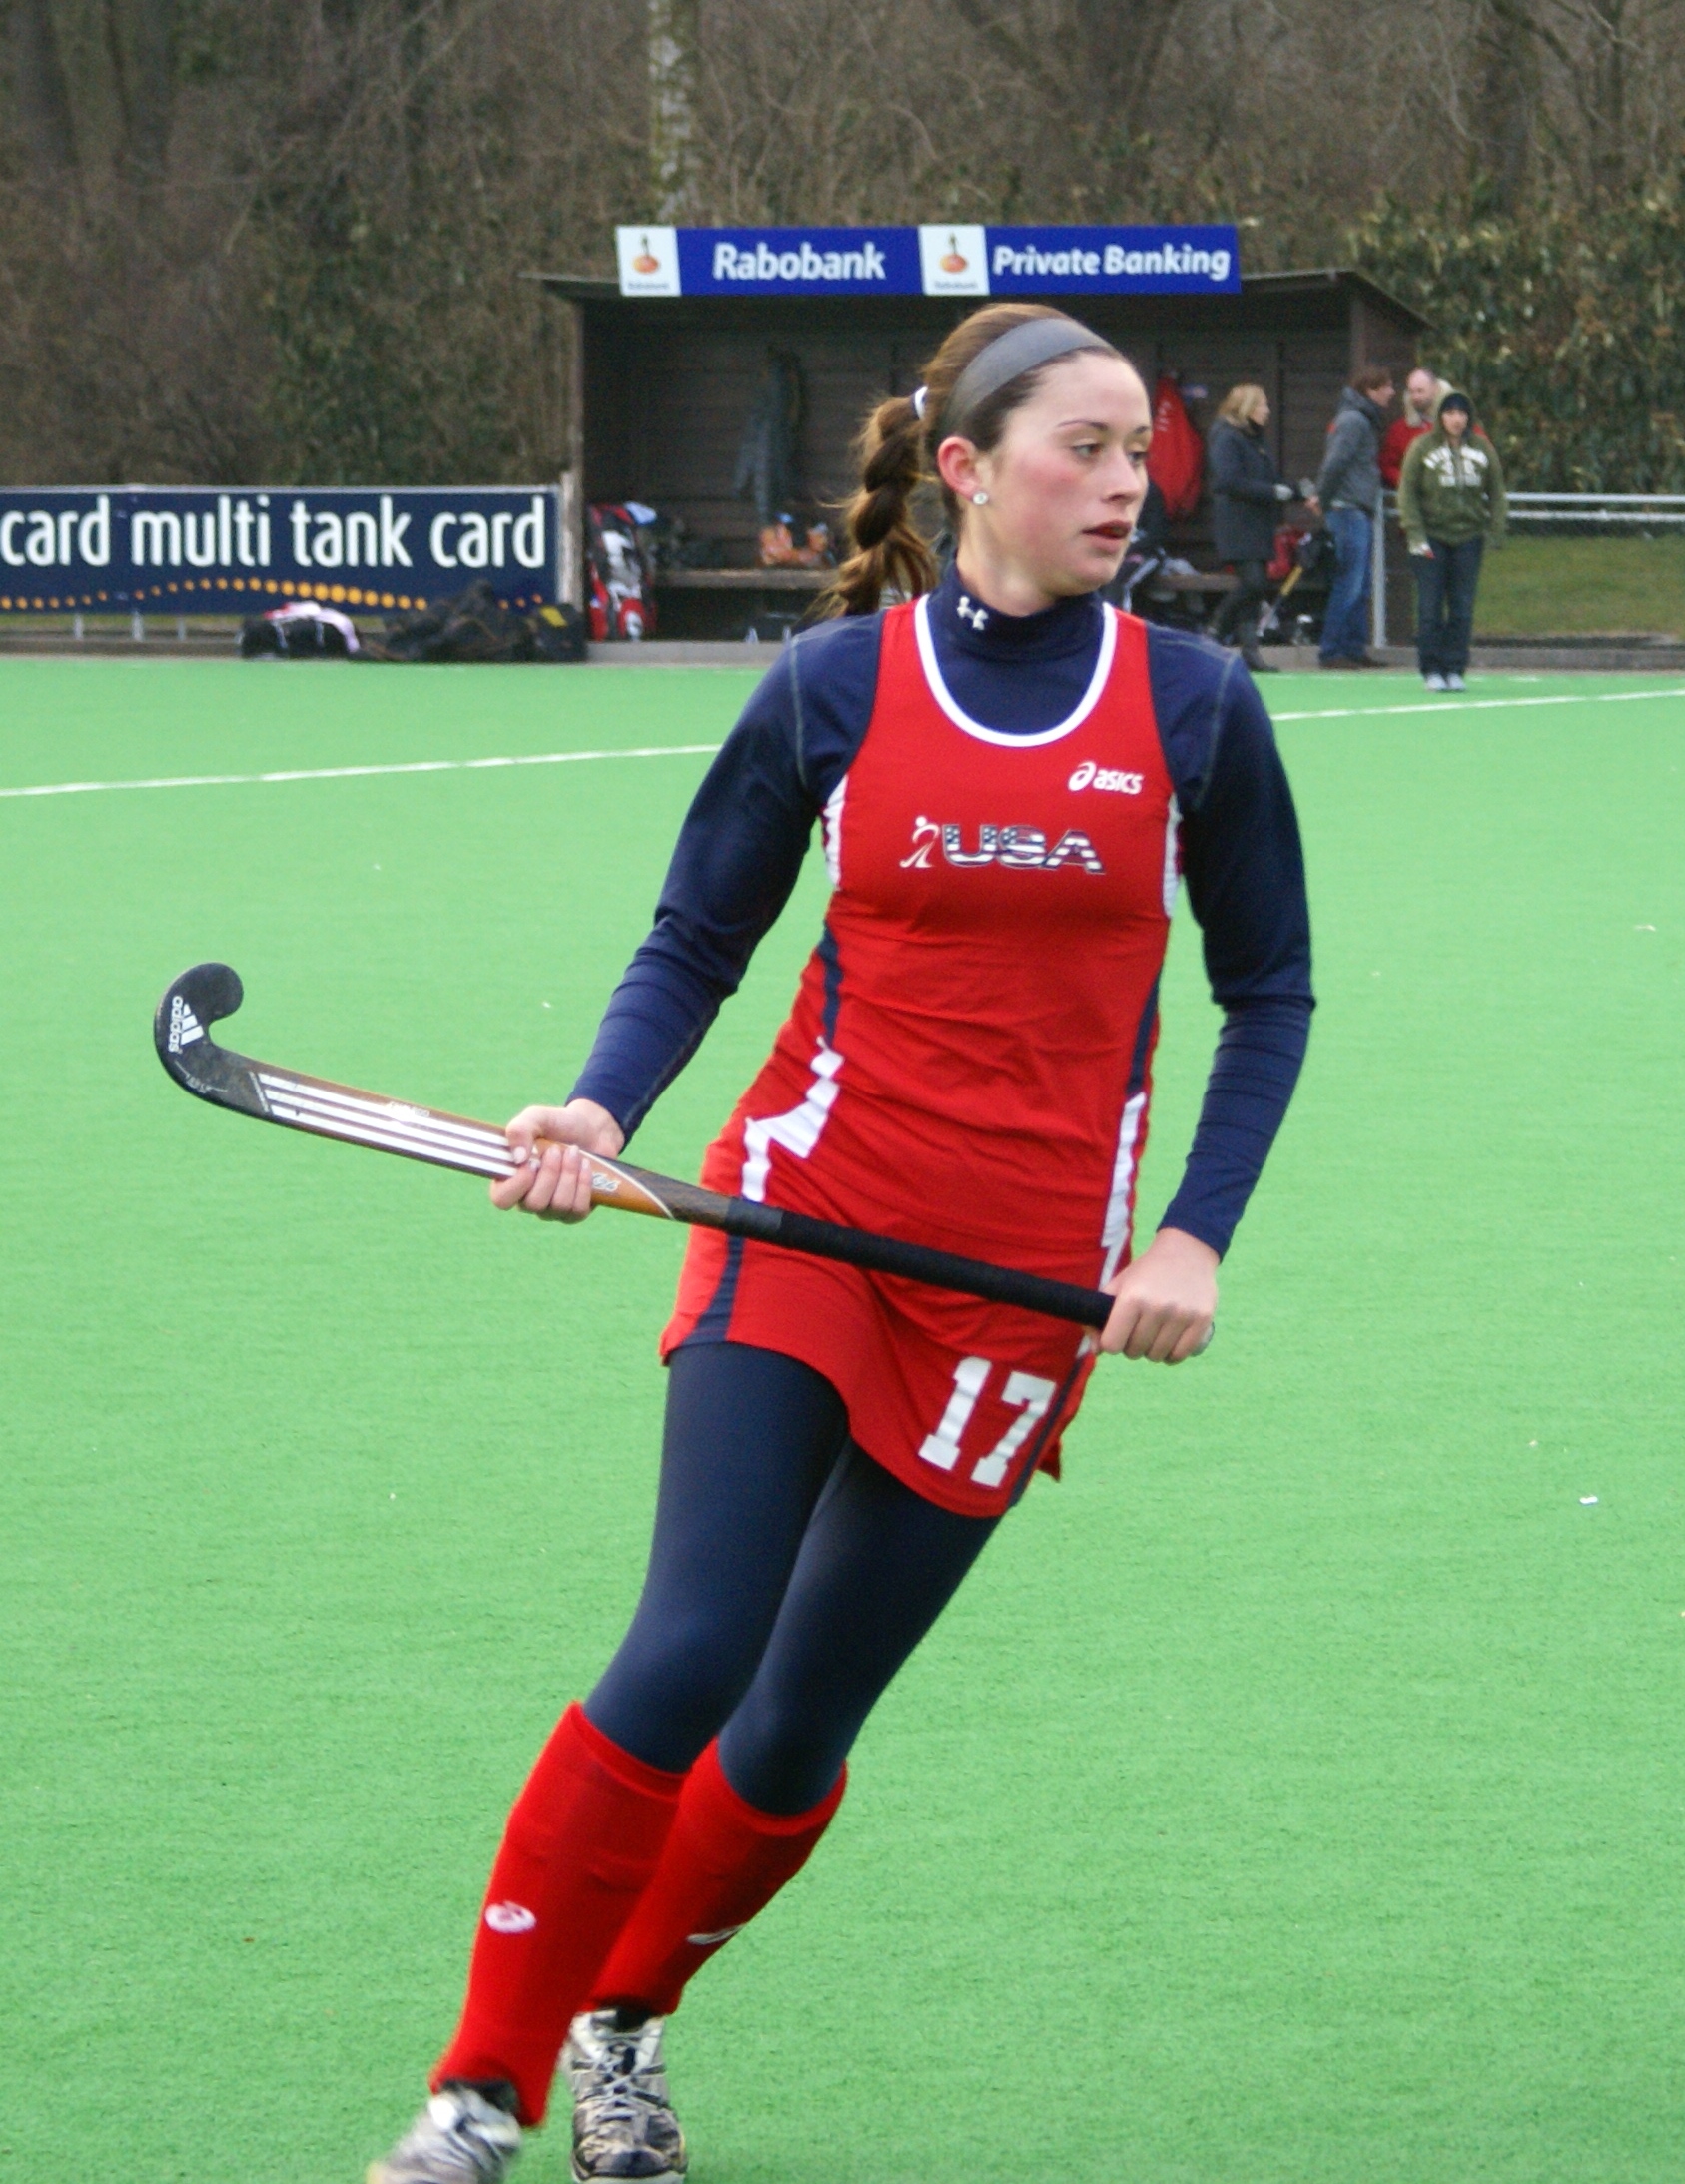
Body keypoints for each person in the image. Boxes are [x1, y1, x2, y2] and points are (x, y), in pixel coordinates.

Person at [368, 302, 1314, 2184]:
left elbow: (1268, 989)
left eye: (1134, 448)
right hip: (802, 1215)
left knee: (795, 1726)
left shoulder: (1196, 706)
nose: (1124, 483)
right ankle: (479, 2092)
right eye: (1082, 448)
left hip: (1023, 1286)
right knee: (690, 1648)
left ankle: (627, 2017)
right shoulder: (832, 686)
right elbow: (695, 938)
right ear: (965, 468)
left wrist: (1192, 1238)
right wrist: (597, 1108)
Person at [1397, 388, 1506, 692]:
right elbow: (1408, 493)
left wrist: (1496, 528)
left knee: (1462, 608)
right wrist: (1415, 533)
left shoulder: (1482, 449)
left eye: (1461, 414)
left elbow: (1497, 490)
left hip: (1469, 538)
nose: (1456, 420)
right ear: (1440, 417)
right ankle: (1431, 669)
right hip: (1430, 538)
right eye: (1450, 413)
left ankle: (1455, 668)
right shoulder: (1421, 447)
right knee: (1430, 607)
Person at [1207, 382, 1297, 671]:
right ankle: (1213, 630)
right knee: (1253, 583)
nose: (1267, 411)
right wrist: (1273, 493)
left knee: (1256, 590)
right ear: (1246, 408)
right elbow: (1227, 481)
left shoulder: (1256, 439)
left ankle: (1250, 652)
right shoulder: (1226, 437)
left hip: (1258, 524)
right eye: (1262, 405)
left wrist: (1298, 492)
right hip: (1237, 525)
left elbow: (1270, 480)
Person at [1309, 364, 1395, 669]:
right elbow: (1336, 462)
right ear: (1371, 390)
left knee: (1360, 584)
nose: (1392, 392)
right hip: (1347, 509)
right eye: (1386, 387)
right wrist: (1323, 497)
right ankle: (1332, 650)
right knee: (1350, 582)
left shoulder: (1360, 420)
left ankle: (1353, 648)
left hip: (1357, 509)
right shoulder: (1354, 421)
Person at [1380, 365, 1448, 491]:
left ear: (1435, 390)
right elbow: (1387, 465)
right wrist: (1409, 483)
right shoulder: (1400, 429)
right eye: (1412, 392)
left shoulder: (1458, 422)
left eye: (1420, 391)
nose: (1415, 397)